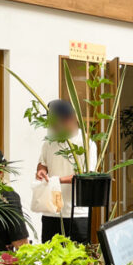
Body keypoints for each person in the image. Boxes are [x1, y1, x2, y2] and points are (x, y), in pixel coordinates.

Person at [35, 99, 96, 243]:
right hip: (51, 210)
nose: (52, 126)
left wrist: (58, 180)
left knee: (76, 259)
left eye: (55, 122)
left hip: (76, 213)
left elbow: (86, 176)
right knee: (50, 256)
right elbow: (42, 164)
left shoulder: (86, 143)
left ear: (70, 119)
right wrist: (41, 172)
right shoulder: (49, 142)